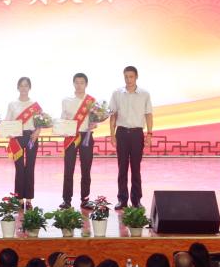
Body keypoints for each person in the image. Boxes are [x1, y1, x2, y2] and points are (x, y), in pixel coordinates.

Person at [108, 66, 152, 210]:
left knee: (136, 168)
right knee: (122, 168)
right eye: (126, 76)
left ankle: (136, 200)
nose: (128, 79)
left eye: (131, 76)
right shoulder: (117, 93)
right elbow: (113, 115)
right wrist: (112, 135)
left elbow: (148, 114)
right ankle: (122, 199)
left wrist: (149, 134)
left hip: (137, 134)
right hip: (121, 133)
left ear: (136, 77)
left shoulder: (144, 94)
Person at [60, 73, 98, 210]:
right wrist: (63, 128)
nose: (79, 85)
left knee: (86, 169)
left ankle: (85, 200)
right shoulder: (66, 100)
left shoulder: (91, 101)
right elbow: (63, 119)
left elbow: (95, 119)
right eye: (77, 82)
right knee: (68, 169)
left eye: (82, 82)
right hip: (71, 137)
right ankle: (66, 200)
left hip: (86, 136)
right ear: (73, 83)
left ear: (86, 84)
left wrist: (94, 124)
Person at [5, 77, 42, 209]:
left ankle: (29, 199)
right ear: (18, 87)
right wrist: (8, 132)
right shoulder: (12, 104)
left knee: (30, 167)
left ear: (29, 87)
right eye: (21, 85)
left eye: (26, 85)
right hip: (17, 138)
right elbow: (7, 121)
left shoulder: (35, 105)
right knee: (19, 168)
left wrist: (37, 132)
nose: (24, 88)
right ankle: (19, 198)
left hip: (32, 136)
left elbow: (40, 122)